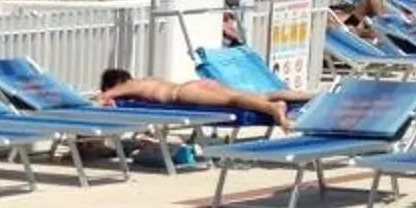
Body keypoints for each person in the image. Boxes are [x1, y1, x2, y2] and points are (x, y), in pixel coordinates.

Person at [96, 66, 297, 132]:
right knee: (253, 95)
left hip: (183, 93)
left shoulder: (128, 86)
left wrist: (103, 99)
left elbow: (103, 96)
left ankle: (274, 109)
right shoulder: (148, 79)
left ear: (116, 82)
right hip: (195, 85)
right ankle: (305, 96)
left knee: (233, 101)